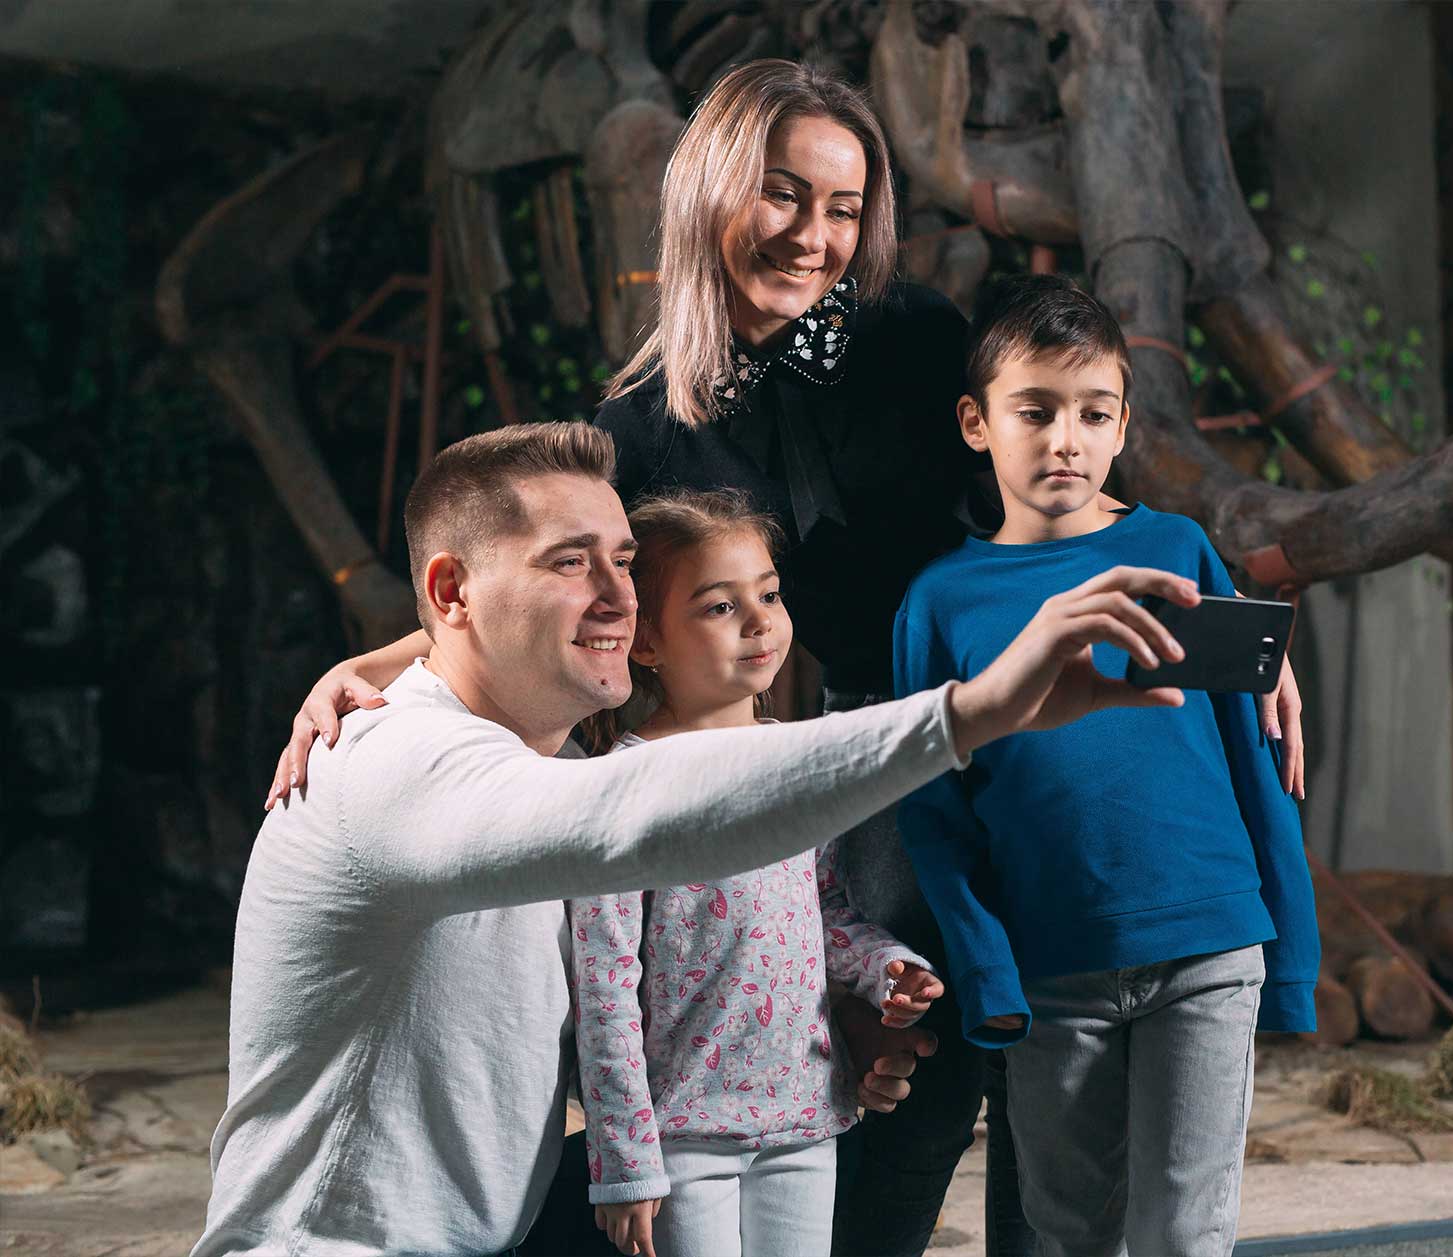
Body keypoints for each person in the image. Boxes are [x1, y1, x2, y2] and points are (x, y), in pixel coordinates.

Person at [264, 59, 1306, 1255]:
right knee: (905, 1066)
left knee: (1055, 1069)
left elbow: (1059, 458)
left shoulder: (911, 337)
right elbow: (541, 576)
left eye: (844, 208)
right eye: (784, 196)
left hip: (1040, 727)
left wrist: (1218, 623)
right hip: (861, 745)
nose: (816, 237)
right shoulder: (642, 424)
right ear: (709, 191)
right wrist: (386, 659)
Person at [197, 421, 1203, 1257]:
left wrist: (821, 1014)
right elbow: (637, 816)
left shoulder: (531, 761)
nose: (615, 594)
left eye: (623, 561)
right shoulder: (394, 762)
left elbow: (656, 952)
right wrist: (971, 711)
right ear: (453, 592)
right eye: (567, 562)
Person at [892, 276, 1321, 1256]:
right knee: (1062, 1236)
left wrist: (1290, 953)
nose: (1063, 440)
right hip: (1049, 969)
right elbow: (930, 810)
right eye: (1033, 412)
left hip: (1208, 949)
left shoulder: (1177, 551)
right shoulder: (939, 600)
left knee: (1185, 1236)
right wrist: (986, 967)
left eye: (1091, 414)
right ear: (975, 422)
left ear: (1123, 424)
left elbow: (1251, 761)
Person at [571, 489, 943, 1257]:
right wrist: (623, 1162)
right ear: (646, 641)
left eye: (769, 593)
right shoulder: (621, 783)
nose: (759, 619)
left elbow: (823, 911)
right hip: (681, 1135)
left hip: (807, 1114)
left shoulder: (796, 760)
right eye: (718, 606)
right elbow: (601, 987)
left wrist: (885, 968)